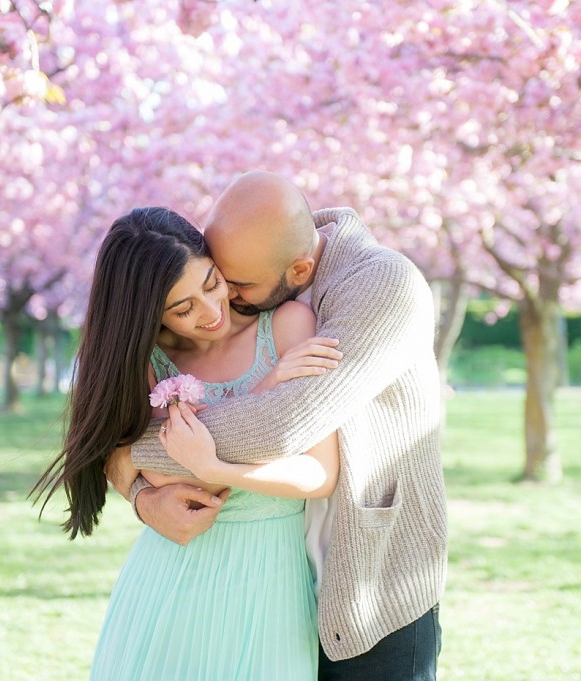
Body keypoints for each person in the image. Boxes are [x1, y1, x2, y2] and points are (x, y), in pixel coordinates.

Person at [107, 171, 449, 680]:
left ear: (300, 268)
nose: (228, 302)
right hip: (270, 581)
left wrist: (134, 456)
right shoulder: (265, 259)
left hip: (368, 583)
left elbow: (287, 423)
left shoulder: (382, 286)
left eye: (234, 285)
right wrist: (137, 491)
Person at [31, 206, 342, 680]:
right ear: (148, 315)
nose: (212, 312)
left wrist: (220, 470)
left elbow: (318, 474)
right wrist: (144, 497)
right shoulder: (148, 360)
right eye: (183, 308)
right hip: (170, 577)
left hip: (268, 581)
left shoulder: (287, 327)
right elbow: (158, 470)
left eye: (212, 283)